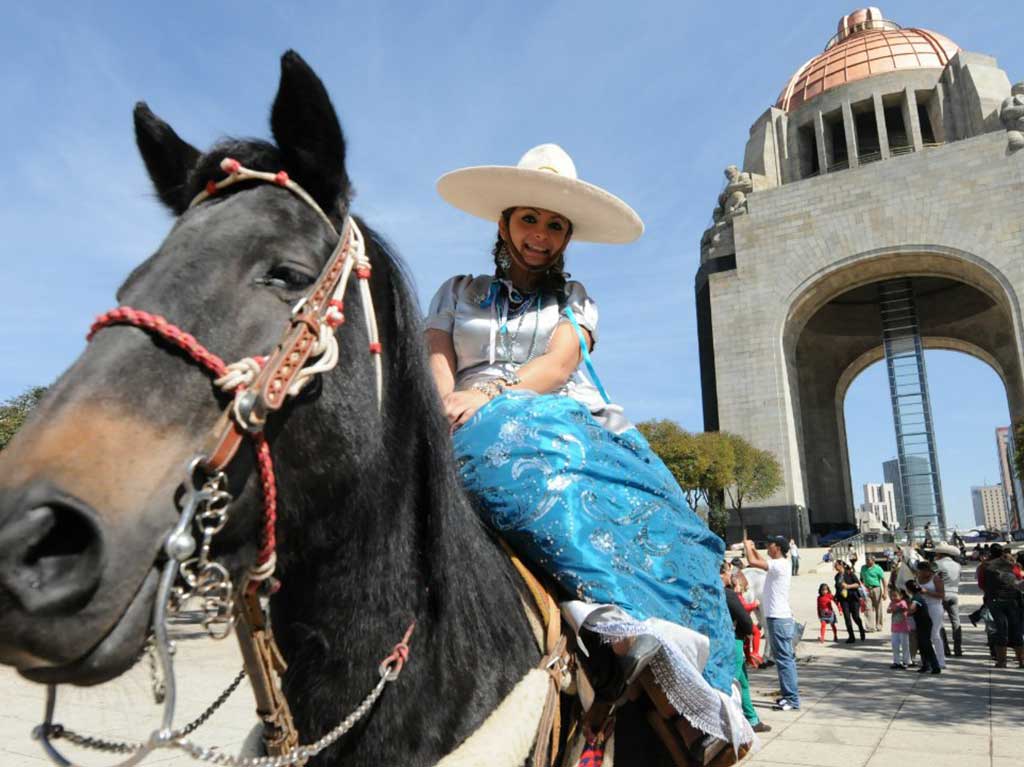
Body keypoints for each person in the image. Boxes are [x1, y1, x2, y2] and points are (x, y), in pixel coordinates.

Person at [425, 144, 751, 748]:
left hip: (549, 415)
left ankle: (635, 636)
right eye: (529, 219)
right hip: (456, 416)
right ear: (503, 222)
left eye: (555, 225)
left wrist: (490, 396)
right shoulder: (454, 291)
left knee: (671, 521)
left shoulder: (574, 300)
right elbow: (438, 363)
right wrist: (446, 404)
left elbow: (556, 366)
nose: (541, 236)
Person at [744, 537, 800, 711]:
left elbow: (753, 562)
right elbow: (759, 561)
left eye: (771, 544)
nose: (768, 546)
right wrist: (752, 548)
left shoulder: (780, 565)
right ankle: (787, 696)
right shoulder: (778, 564)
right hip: (776, 618)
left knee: (784, 661)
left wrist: (746, 546)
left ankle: (792, 699)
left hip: (779, 619)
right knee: (783, 660)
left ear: (778, 548)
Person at [721, 564, 771, 734]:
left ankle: (752, 719)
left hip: (724, 641)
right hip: (734, 641)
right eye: (728, 571)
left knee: (743, 682)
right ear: (721, 574)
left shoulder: (712, 593)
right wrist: (749, 630)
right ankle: (728, 722)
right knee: (733, 683)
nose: (730, 574)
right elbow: (746, 621)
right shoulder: (729, 595)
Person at [980, 544, 1024, 668]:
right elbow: (1020, 581)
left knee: (1000, 629)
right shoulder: (1013, 566)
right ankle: (1021, 661)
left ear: (990, 553)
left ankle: (1002, 661)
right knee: (1016, 629)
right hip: (1013, 600)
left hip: (995, 601)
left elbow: (981, 584)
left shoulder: (985, 567)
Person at [932, 543, 963, 657]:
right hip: (954, 594)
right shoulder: (957, 565)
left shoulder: (937, 564)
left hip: (941, 594)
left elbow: (931, 577)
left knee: (940, 622)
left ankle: (945, 649)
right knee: (956, 621)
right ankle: (958, 648)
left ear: (940, 553)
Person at [915, 561, 946, 670]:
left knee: (935, 634)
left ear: (928, 571)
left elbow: (942, 595)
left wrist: (926, 592)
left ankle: (941, 660)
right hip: (922, 608)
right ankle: (927, 661)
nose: (920, 573)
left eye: (922, 571)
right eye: (919, 571)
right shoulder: (917, 578)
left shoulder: (936, 579)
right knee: (923, 636)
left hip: (935, 607)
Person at [906, 580, 941, 674]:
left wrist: (906, 612)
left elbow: (912, 609)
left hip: (924, 624)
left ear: (909, 589)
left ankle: (935, 666)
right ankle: (926, 665)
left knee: (926, 645)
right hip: (922, 623)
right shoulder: (917, 596)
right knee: (922, 645)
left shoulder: (916, 598)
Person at [836, 562, 866, 643]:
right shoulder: (837, 576)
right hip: (843, 600)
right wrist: (836, 598)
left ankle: (861, 629)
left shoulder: (850, 573)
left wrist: (848, 586)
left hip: (853, 598)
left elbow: (858, 584)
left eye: (836, 565)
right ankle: (851, 636)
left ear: (841, 565)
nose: (835, 566)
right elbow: (837, 588)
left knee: (855, 617)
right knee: (847, 618)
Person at [859, 555, 887, 632]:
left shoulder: (878, 568)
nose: (867, 561)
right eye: (866, 559)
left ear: (873, 560)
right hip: (866, 589)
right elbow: (861, 579)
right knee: (868, 608)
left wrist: (885, 592)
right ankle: (870, 627)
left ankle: (879, 625)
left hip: (876, 589)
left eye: (868, 560)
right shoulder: (863, 568)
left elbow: (884, 580)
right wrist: (861, 588)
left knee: (878, 607)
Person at [887, 585, 911, 669]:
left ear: (901, 596)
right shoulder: (891, 603)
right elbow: (888, 610)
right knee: (895, 645)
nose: (893, 597)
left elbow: (905, 608)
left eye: (895, 595)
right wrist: (891, 609)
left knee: (905, 645)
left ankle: (906, 661)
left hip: (903, 627)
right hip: (895, 627)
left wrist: (898, 607)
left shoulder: (902, 602)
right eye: (892, 596)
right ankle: (896, 661)